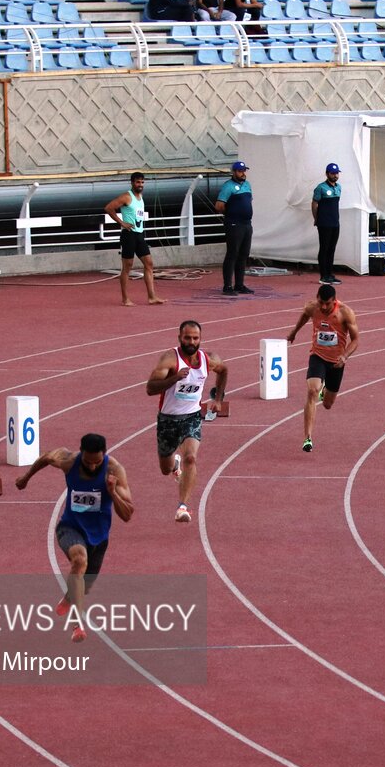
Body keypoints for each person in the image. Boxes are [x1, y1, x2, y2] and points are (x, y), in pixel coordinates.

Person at [14, 433, 134, 643]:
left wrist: (113, 493)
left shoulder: (114, 470)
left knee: (84, 586)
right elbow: (45, 457)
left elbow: (128, 514)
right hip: (69, 527)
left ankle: (70, 598)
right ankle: (77, 624)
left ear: (104, 455)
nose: (93, 467)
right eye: (88, 462)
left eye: (97, 462)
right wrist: (25, 478)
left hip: (99, 536)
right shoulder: (69, 460)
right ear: (81, 454)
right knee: (79, 561)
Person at [146, 320, 228, 522]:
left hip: (192, 417)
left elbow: (224, 370)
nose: (191, 341)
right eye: (187, 338)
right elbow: (150, 388)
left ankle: (182, 507)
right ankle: (174, 464)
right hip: (167, 419)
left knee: (191, 458)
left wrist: (218, 399)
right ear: (179, 338)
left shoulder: (208, 359)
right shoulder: (170, 359)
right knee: (165, 469)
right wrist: (174, 378)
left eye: (195, 338)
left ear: (200, 339)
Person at [286, 284, 360, 452]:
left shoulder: (345, 312)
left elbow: (356, 340)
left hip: (336, 362)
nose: (324, 307)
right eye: (321, 303)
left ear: (334, 300)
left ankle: (325, 390)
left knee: (327, 404)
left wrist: (345, 356)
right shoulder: (312, 307)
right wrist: (294, 332)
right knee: (312, 391)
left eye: (327, 303)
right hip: (317, 356)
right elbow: (305, 316)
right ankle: (308, 438)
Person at [105, 172, 166, 306]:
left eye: (142, 182)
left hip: (139, 234)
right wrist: (122, 223)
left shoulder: (140, 196)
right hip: (128, 235)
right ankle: (125, 299)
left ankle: (151, 297)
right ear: (132, 182)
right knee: (127, 267)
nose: (140, 185)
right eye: (138, 182)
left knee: (149, 263)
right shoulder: (126, 196)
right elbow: (109, 208)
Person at [215, 160, 254, 295]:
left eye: (244, 171)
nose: (242, 173)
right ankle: (227, 286)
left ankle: (239, 284)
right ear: (234, 172)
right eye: (239, 171)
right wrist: (231, 212)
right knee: (232, 254)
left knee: (243, 254)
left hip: (246, 223)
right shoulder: (228, 186)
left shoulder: (247, 185)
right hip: (234, 223)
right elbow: (219, 205)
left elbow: (249, 201)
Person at [312, 162, 342, 285]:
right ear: (327, 174)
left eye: (337, 173)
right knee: (324, 248)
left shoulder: (339, 187)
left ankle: (330, 274)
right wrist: (316, 218)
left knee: (332, 248)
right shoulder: (321, 188)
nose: (335, 176)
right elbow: (314, 204)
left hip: (335, 222)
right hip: (324, 223)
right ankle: (323, 275)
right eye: (332, 173)